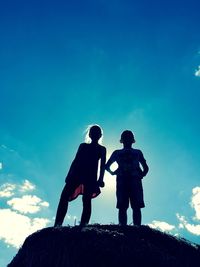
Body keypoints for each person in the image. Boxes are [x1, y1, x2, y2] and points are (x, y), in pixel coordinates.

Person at [54, 125, 106, 227]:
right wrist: (69, 174)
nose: (95, 133)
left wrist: (100, 179)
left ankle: (83, 226)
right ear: (90, 134)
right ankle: (57, 224)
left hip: (90, 176)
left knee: (86, 200)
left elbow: (102, 165)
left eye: (97, 132)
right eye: (93, 131)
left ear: (100, 135)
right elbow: (76, 160)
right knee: (64, 197)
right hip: (76, 174)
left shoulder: (102, 149)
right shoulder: (83, 146)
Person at [105, 130, 149, 226]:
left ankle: (135, 227)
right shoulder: (119, 152)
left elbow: (146, 167)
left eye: (128, 137)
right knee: (123, 206)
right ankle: (124, 228)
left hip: (132, 181)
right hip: (125, 181)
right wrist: (113, 172)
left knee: (134, 206)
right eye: (126, 137)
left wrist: (142, 174)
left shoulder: (136, 152)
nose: (127, 139)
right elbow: (107, 166)